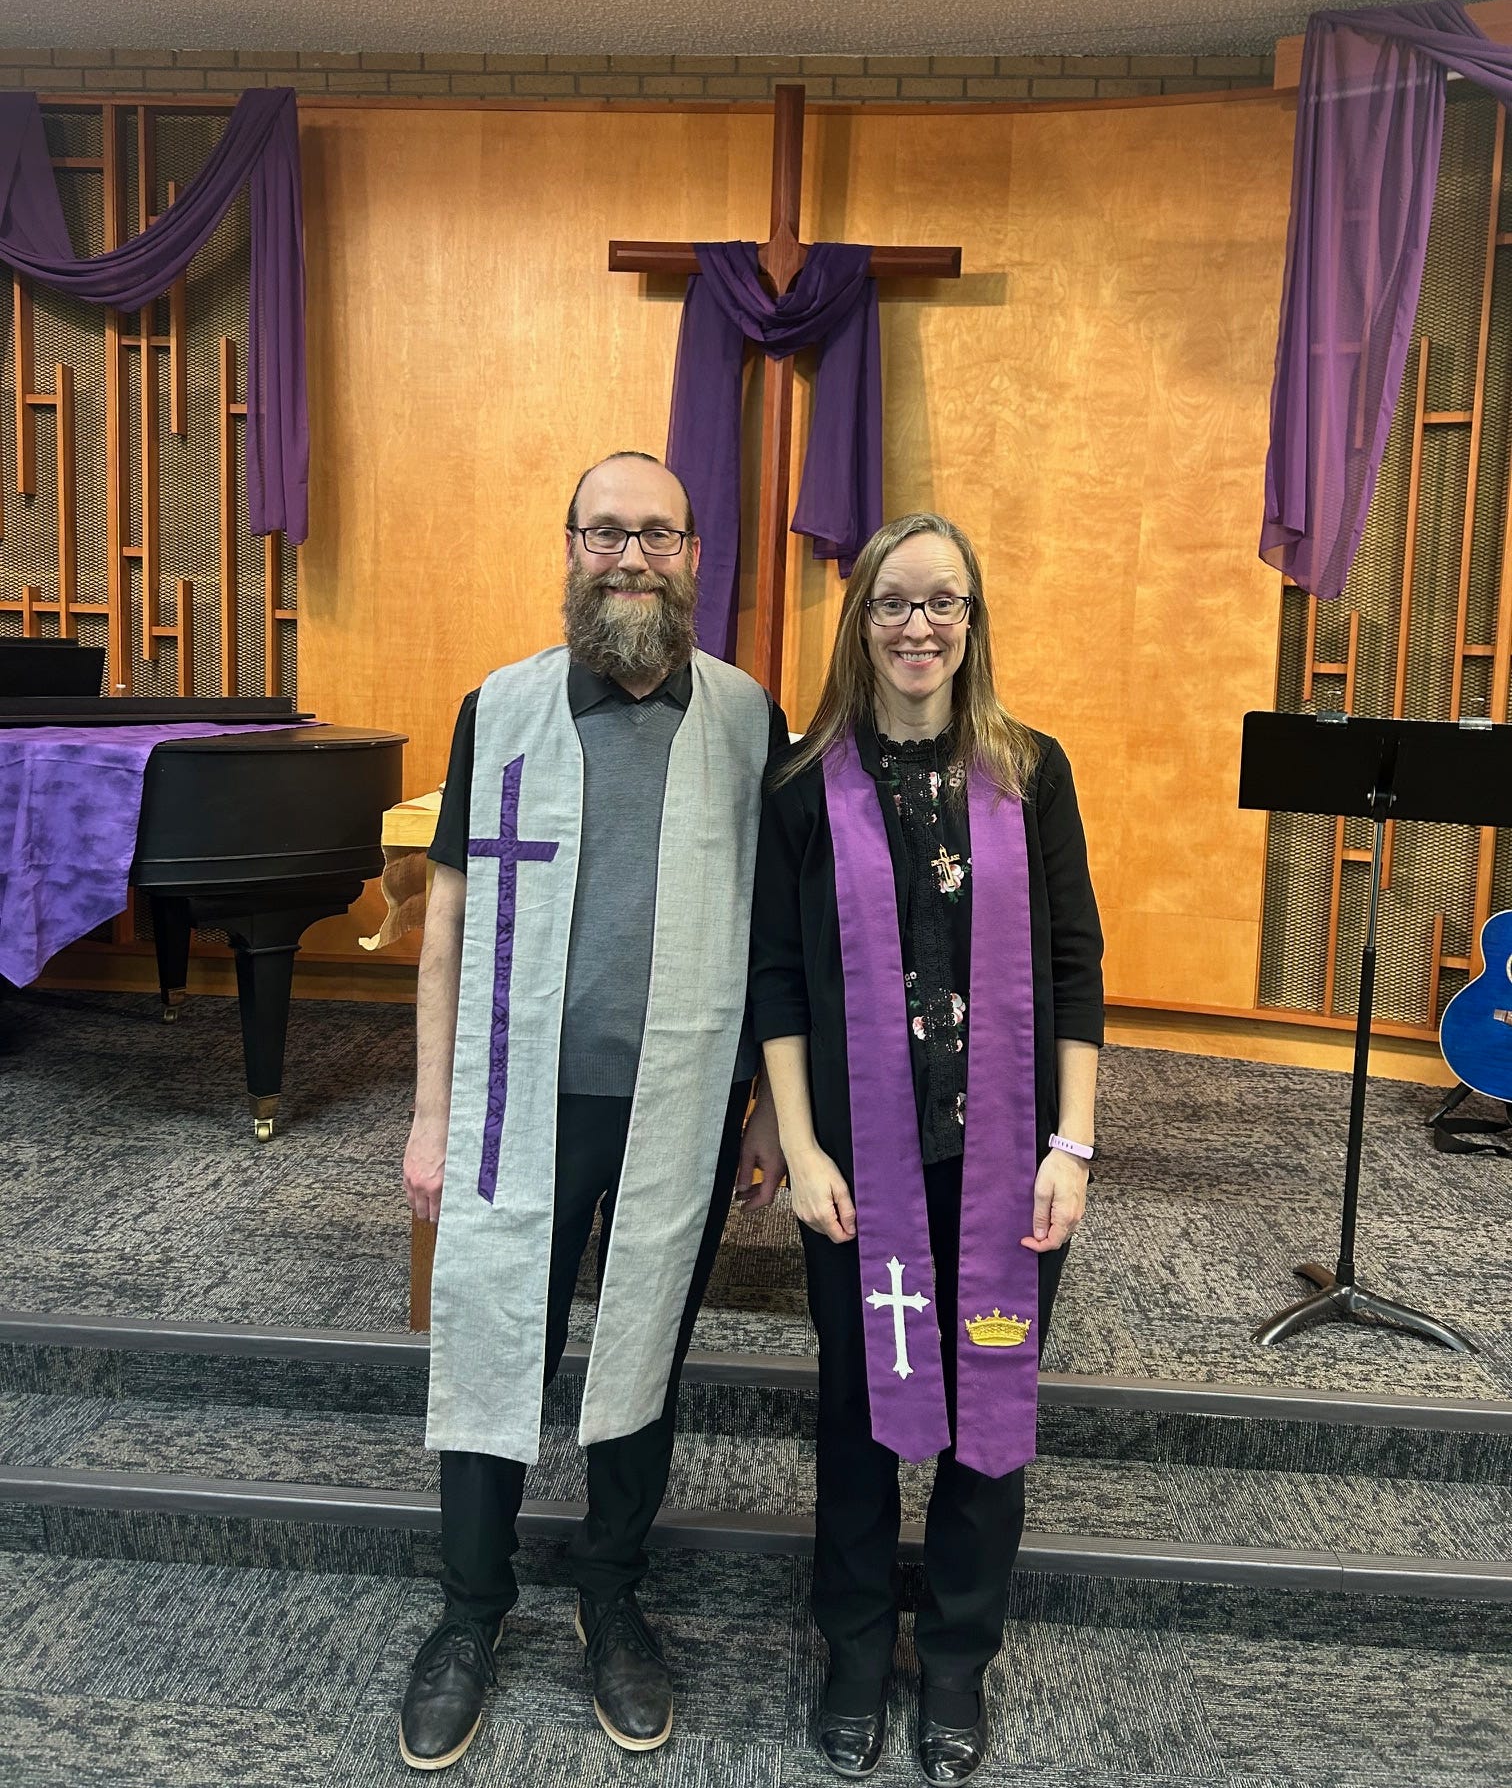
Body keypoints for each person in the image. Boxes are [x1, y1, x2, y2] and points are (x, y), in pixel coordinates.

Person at [400, 451, 788, 1771]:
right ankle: (470, 1610)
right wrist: (430, 1114)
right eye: (607, 532)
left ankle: (612, 1597)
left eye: (658, 535)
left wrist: (765, 1109)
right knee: (493, 1332)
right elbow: (448, 924)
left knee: (644, 1348)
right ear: (571, 546)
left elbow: (775, 935)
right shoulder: (500, 708)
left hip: (683, 1097)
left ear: (693, 553)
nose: (632, 557)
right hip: (521, 1101)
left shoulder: (747, 718)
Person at [751, 512, 1102, 1784]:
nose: (919, 625)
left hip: (1004, 1159)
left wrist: (1073, 1145)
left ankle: (954, 1660)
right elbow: (776, 979)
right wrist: (799, 1147)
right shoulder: (804, 782)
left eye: (943, 602)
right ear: (862, 621)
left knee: (989, 1408)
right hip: (858, 1160)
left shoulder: (1030, 770)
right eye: (895, 602)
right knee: (856, 1413)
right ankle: (854, 1650)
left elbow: (1076, 962)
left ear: (973, 620)